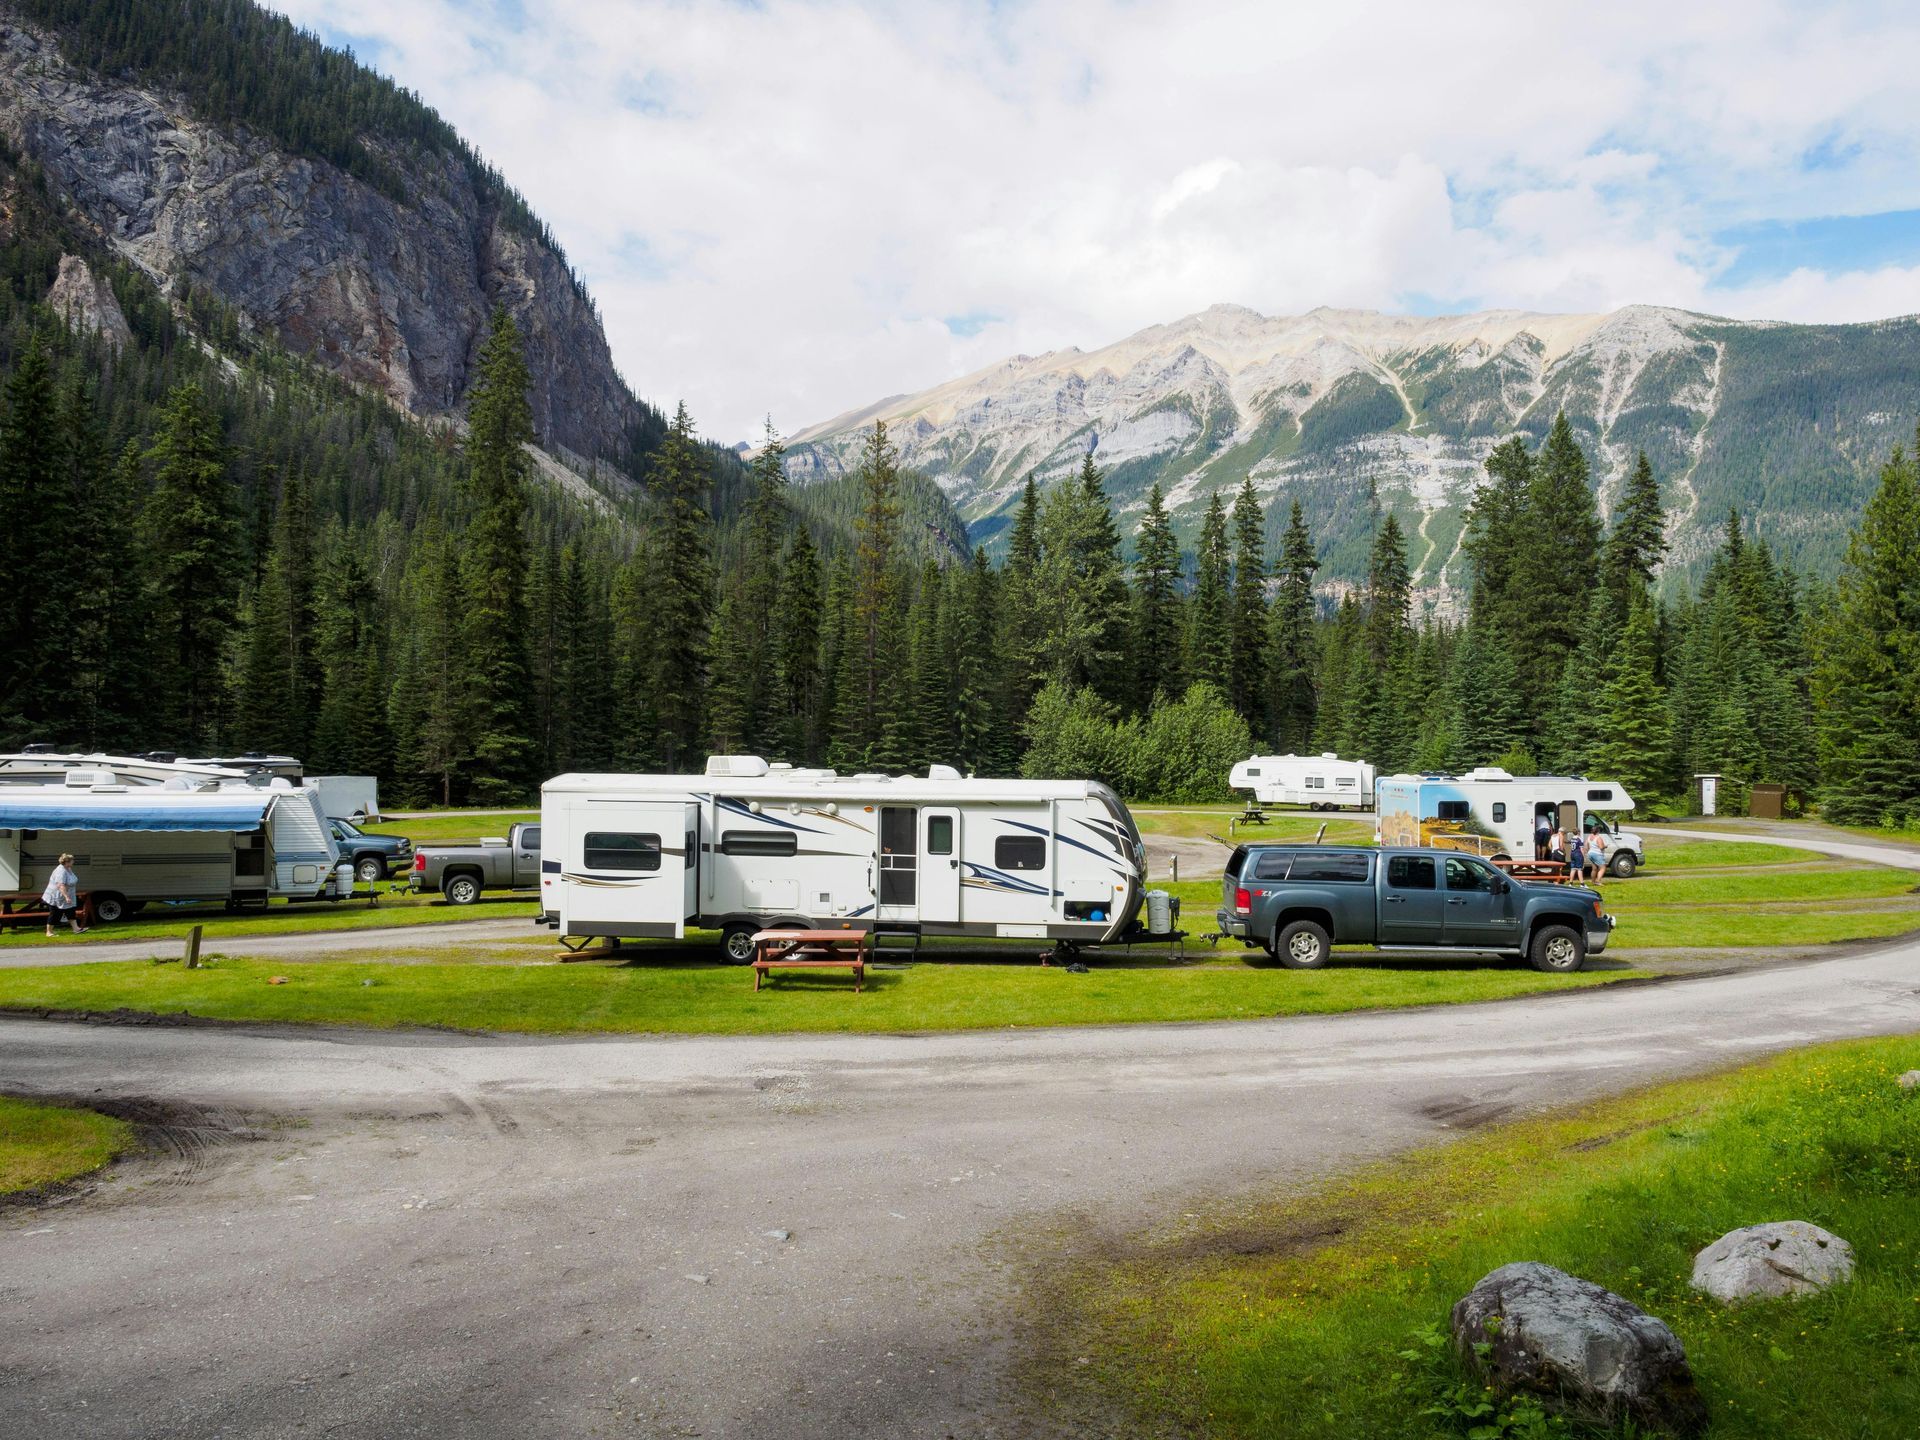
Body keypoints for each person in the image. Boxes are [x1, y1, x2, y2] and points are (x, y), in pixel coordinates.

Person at [41, 852, 86, 937]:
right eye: (72, 860)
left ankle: (76, 929)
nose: (73, 862)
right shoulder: (60, 871)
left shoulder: (68, 868)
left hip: (66, 895)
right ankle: (49, 932)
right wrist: (66, 896)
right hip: (57, 896)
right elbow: (60, 885)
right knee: (55, 913)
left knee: (71, 911)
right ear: (67, 862)